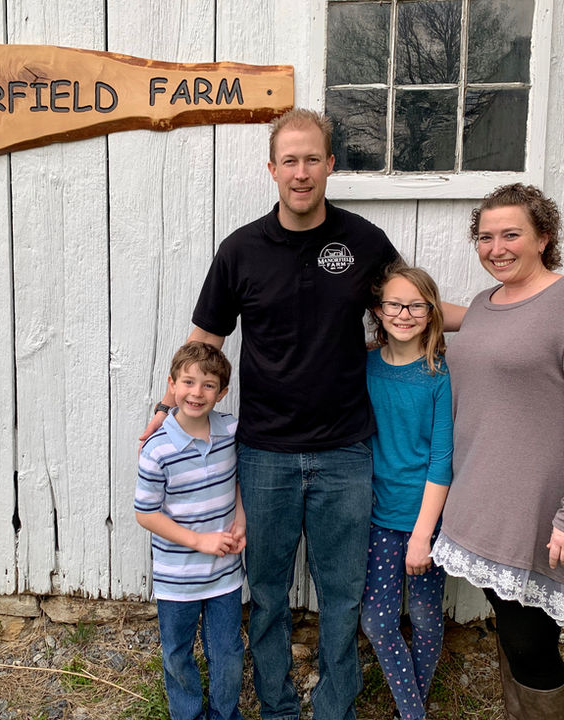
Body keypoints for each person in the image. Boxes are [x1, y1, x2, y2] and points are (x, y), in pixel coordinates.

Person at [140, 108, 463, 720]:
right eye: (289, 160)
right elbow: (206, 336)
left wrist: (502, 316)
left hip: (346, 452)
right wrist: (168, 403)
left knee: (342, 596)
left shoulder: (362, 242)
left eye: (313, 158)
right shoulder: (240, 251)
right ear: (272, 169)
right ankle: (279, 706)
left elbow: (414, 302)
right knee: (265, 596)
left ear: (331, 165)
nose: (302, 171)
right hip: (264, 454)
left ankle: (335, 708)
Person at [430, 184, 564, 719]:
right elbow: (427, 323)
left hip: (540, 512)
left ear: (544, 237)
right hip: (482, 502)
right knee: (514, 634)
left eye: (511, 234)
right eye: (485, 237)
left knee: (531, 644)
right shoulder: (484, 305)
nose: (497, 247)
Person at [135, 341, 247, 720]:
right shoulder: (157, 449)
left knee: (228, 652)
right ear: (172, 385)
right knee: (177, 653)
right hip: (177, 578)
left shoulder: (231, 431)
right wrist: (199, 540)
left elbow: (239, 480)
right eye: (188, 382)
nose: (197, 393)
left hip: (224, 575)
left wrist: (242, 519)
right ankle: (187, 714)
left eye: (208, 385)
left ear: (223, 392)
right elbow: (146, 514)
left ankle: (224, 714)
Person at [360, 265, 452, 720]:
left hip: (426, 519)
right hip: (377, 515)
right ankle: (414, 710)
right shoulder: (365, 365)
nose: (404, 313)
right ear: (378, 310)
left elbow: (441, 459)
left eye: (416, 305)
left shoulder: (438, 375)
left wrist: (423, 534)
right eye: (395, 304)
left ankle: (409, 711)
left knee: (424, 614)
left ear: (431, 312)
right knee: (377, 620)